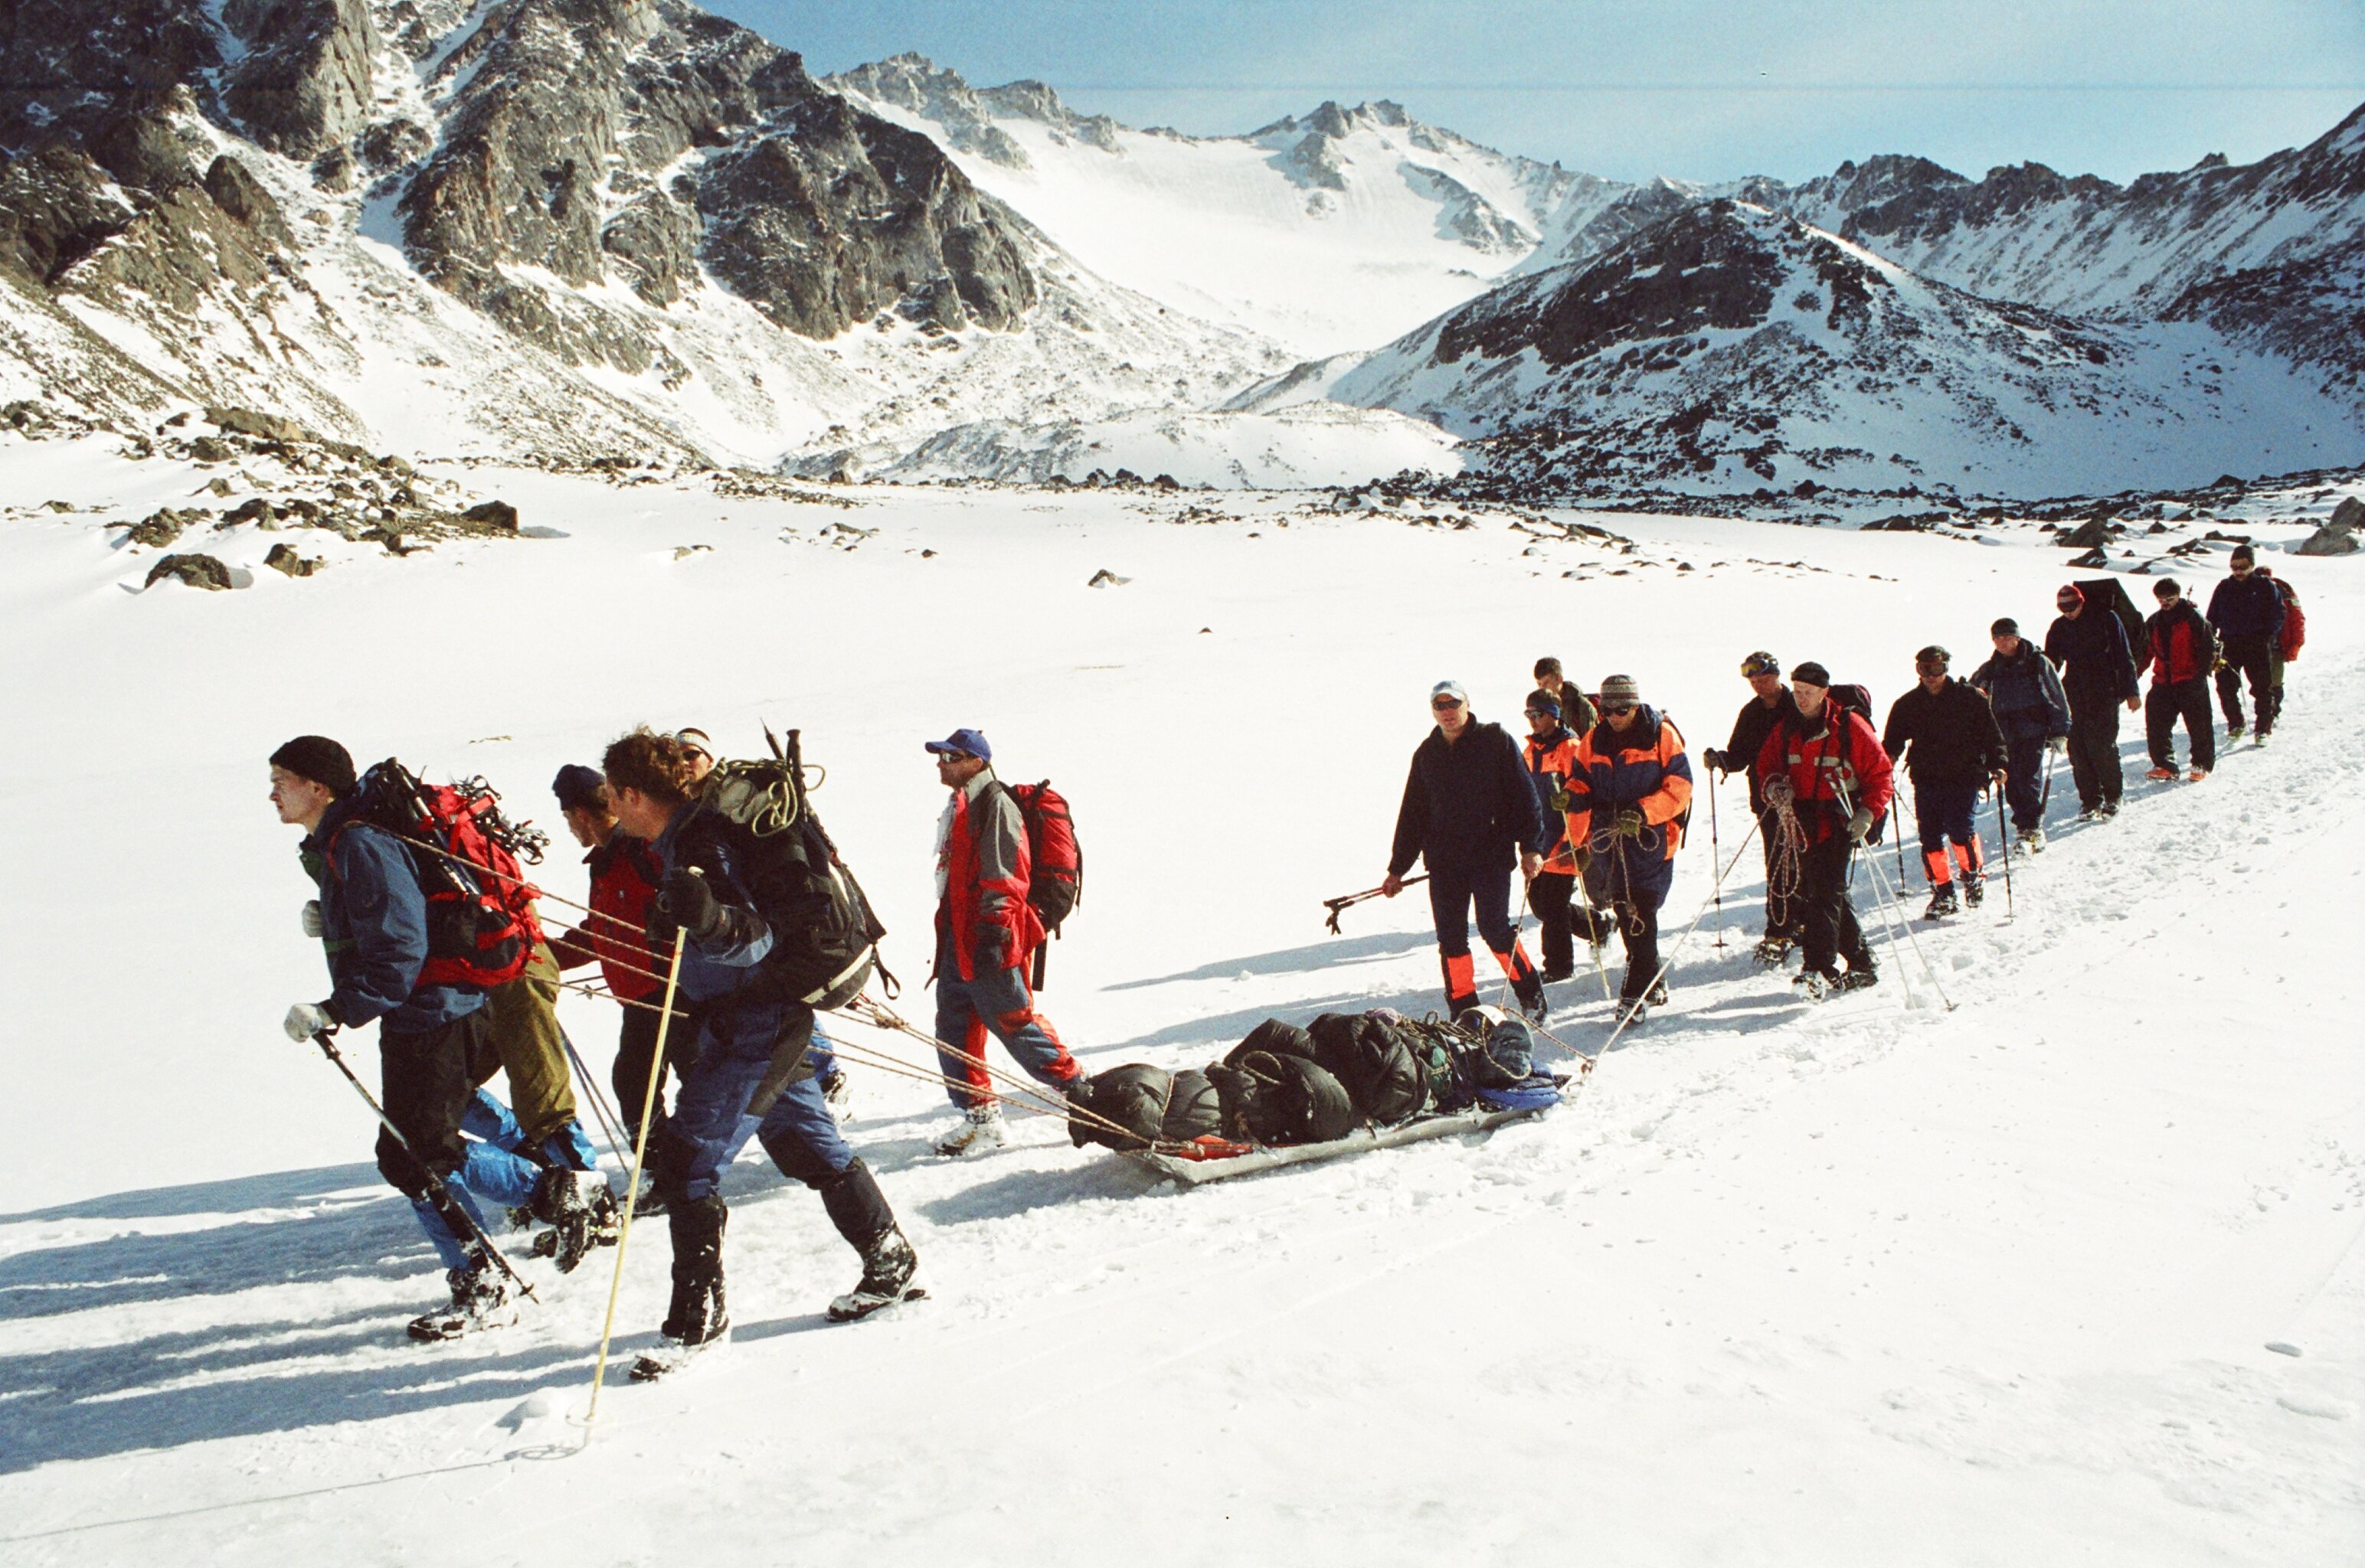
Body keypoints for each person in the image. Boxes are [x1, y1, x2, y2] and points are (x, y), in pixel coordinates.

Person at [604, 728, 919, 1375]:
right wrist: (684, 921)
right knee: (807, 1144)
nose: (607, 804)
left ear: (634, 795)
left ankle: (697, 1327)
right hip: (748, 1018)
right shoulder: (681, 838)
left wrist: (710, 921)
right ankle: (891, 1260)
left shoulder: (699, 841)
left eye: (611, 792)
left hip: (755, 1026)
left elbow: (754, 938)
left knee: (687, 1166)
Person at [272, 737, 596, 1341]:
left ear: (318, 787)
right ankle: (542, 1204)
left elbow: (402, 947)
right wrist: (334, 919)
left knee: (416, 1154)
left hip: (433, 1013)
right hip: (438, 1009)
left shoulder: (360, 841)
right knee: (417, 1150)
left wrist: (335, 1009)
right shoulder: (347, 839)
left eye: (282, 780)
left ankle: (517, 1240)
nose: (273, 794)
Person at [924, 727, 1087, 1157]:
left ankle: (1081, 1091)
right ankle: (981, 1118)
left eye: (951, 757)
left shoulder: (994, 804)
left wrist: (994, 931)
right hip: (960, 940)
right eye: (941, 756)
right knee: (954, 1028)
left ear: (976, 762)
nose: (942, 764)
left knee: (1013, 1022)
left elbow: (1008, 873)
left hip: (990, 939)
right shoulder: (962, 804)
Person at [1385, 681, 1551, 1020]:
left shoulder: (1495, 741)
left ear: (1467, 704)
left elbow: (1526, 798)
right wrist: (1397, 869)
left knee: (1494, 929)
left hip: (1490, 856)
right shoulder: (1427, 754)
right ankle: (1464, 1007)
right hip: (1445, 863)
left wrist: (1531, 847)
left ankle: (1530, 991)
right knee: (1451, 938)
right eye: (1440, 705)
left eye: (1453, 704)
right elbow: (1413, 815)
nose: (1447, 711)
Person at [546, 765, 669, 1146]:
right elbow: (602, 929)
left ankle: (671, 1165)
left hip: (668, 990)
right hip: (643, 995)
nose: (569, 828)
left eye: (567, 818)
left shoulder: (639, 849)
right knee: (636, 1084)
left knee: (650, 1084)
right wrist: (545, 955)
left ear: (581, 814)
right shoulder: (606, 858)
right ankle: (665, 1163)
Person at [1753, 665, 1892, 998]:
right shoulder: (1787, 727)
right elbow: (1766, 766)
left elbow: (1881, 774)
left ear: (1824, 693)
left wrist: (1868, 813)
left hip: (1840, 821)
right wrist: (1774, 787)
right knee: (1825, 892)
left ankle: (1818, 969)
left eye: (1808, 692)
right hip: (1802, 824)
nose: (1801, 698)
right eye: (1797, 691)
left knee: (1824, 894)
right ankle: (1862, 962)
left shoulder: (1849, 726)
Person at [1559, 675, 1692, 1018]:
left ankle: (1635, 995)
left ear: (1635, 706)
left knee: (1641, 912)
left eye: (1623, 710)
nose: (1615, 717)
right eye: (1608, 710)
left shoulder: (1661, 735)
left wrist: (1643, 813)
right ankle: (1653, 980)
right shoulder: (1593, 739)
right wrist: (1571, 796)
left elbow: (1680, 787)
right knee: (1623, 908)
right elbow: (1581, 780)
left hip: (1651, 838)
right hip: (1610, 839)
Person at [1880, 646, 2007, 918]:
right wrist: (1886, 762)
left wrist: (1998, 764)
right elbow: (1892, 741)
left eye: (1937, 669)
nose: (1931, 676)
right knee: (1930, 838)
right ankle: (1943, 891)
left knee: (1960, 830)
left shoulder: (1970, 698)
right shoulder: (1908, 705)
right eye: (1925, 669)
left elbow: (1992, 736)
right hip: (1927, 779)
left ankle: (1972, 875)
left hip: (1965, 777)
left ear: (1946, 668)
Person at [1700, 651, 1804, 963]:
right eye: (1753, 680)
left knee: (1805, 862)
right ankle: (1780, 929)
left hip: (1804, 798)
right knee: (1778, 863)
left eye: (1763, 678)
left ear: (1777, 676)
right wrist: (1721, 760)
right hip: (1767, 801)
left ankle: (1802, 923)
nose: (1758, 684)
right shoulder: (1751, 713)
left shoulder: (1798, 706)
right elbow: (1739, 755)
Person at [1520, 692, 1608, 982]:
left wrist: (1574, 842)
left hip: (1565, 836)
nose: (1533, 721)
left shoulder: (1572, 748)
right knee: (1539, 904)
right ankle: (1599, 926)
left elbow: (1583, 797)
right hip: (1539, 842)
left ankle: (1559, 967)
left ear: (1554, 715)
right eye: (1529, 715)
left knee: (1553, 907)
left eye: (1538, 714)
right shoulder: (1530, 751)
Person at [1968, 618, 2071, 852]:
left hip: (2033, 730)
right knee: (2012, 781)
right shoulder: (1990, 669)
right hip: (2004, 735)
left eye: (2007, 637)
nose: (2003, 642)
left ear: (2017, 637)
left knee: (2029, 778)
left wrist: (2060, 731)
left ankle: (2032, 829)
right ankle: (2025, 826)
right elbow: (1974, 695)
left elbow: (2056, 696)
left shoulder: (2037, 662)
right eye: (1998, 638)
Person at [2042, 583, 2142, 821]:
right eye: (2063, 609)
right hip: (2074, 692)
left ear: (2081, 602)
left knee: (2102, 745)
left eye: (2072, 607)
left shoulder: (2106, 619)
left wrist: (2131, 691)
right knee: (2077, 748)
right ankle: (2090, 800)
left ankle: (2113, 796)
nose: (2068, 613)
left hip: (2104, 690)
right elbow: (2051, 665)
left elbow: (2123, 655)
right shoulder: (2059, 627)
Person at [2206, 546, 2285, 746]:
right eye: (2234, 567)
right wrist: (2210, 638)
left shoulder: (2265, 586)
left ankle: (2263, 728)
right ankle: (2236, 723)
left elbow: (2278, 613)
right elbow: (2212, 616)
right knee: (2225, 687)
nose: (2238, 571)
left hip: (2256, 643)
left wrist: (2267, 635)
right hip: (2229, 643)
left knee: (2262, 688)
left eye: (2243, 566)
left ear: (2252, 565)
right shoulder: (2224, 587)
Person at [2142, 578, 2217, 782]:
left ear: (2178, 596)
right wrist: (2133, 676)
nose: (2165, 603)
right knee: (2156, 723)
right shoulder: (2154, 621)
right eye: (2161, 599)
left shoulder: (2193, 618)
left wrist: (2201, 675)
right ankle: (2164, 764)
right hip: (2163, 680)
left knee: (2199, 724)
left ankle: (2201, 763)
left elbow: (2207, 648)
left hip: (2190, 679)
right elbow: (2145, 651)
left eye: (2169, 598)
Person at [2255, 566, 2304, 720]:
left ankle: (2272, 711)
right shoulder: (2248, 595)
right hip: (2256, 646)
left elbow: (2297, 619)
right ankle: (2265, 710)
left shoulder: (2284, 593)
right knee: (2261, 682)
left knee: (2275, 681)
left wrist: (2297, 643)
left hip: (2277, 646)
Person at [1532, 657, 1598, 736]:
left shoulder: (1582, 707)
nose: (1542, 688)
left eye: (1546, 683)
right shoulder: (1541, 709)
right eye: (1539, 684)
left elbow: (1590, 741)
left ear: (1560, 680)